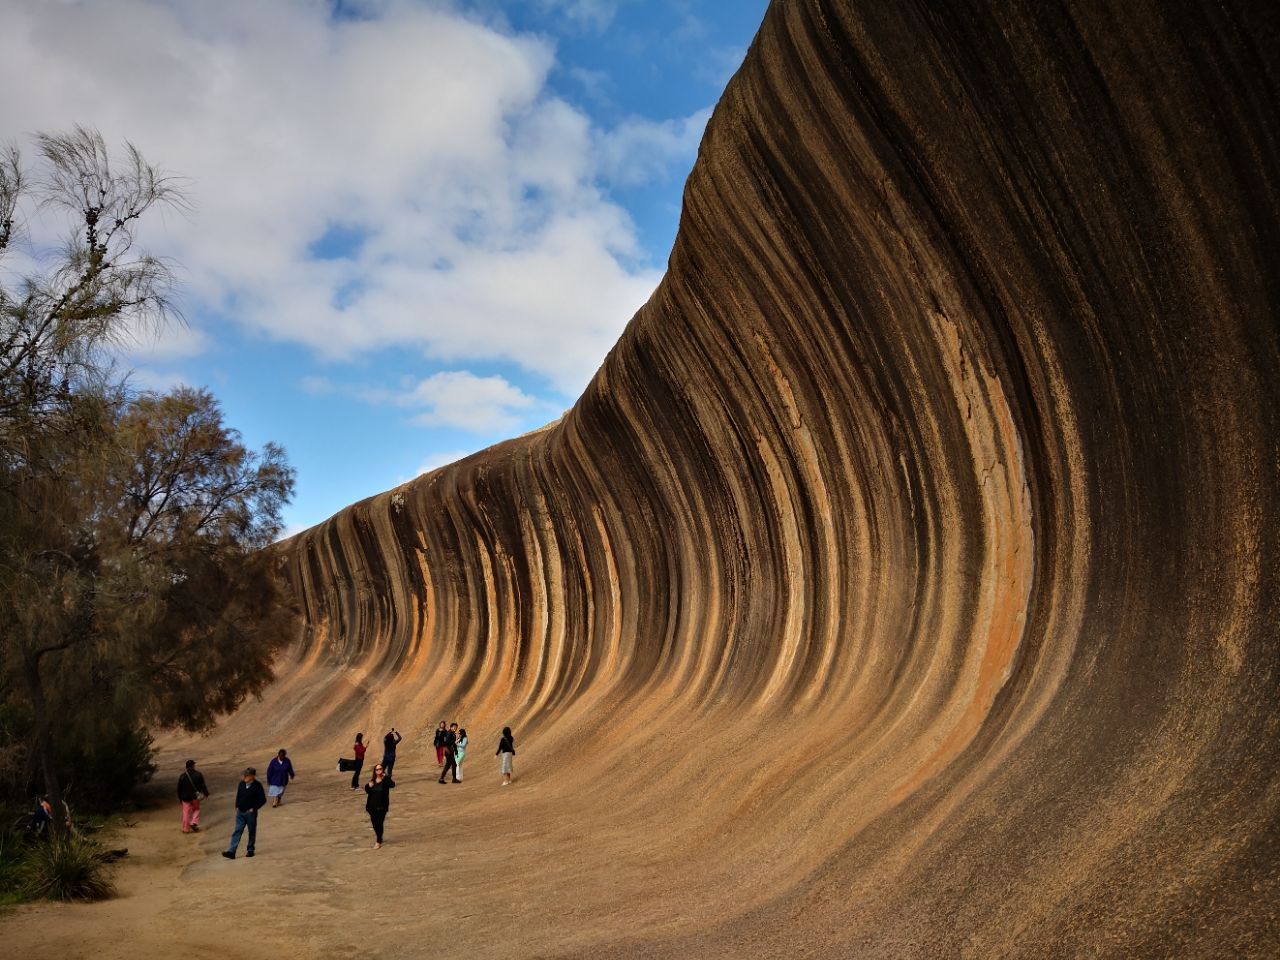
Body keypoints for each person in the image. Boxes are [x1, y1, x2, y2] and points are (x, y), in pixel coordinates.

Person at [222, 767, 266, 859]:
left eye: (247, 775)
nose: (245, 776)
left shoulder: (257, 786)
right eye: (245, 775)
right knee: (237, 831)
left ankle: (250, 850)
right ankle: (232, 851)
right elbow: (239, 795)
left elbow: (263, 800)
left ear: (253, 776)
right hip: (240, 812)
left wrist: (254, 808)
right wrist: (237, 806)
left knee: (251, 831)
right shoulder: (241, 784)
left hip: (250, 813)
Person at [363, 762, 396, 849]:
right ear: (375, 771)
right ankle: (379, 836)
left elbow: (392, 785)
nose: (379, 770)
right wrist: (368, 786)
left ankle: (378, 841)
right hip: (371, 807)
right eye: (377, 769)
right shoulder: (372, 781)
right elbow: (367, 790)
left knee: (380, 823)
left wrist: (386, 777)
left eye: (380, 769)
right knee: (374, 824)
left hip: (382, 807)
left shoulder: (385, 780)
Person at [177, 759, 210, 833]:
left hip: (185, 798)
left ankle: (185, 829)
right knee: (196, 809)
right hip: (195, 797)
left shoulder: (182, 776)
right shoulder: (198, 774)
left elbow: (179, 788)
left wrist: (180, 798)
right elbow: (203, 785)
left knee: (186, 813)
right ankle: (194, 822)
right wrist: (206, 793)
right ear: (193, 766)